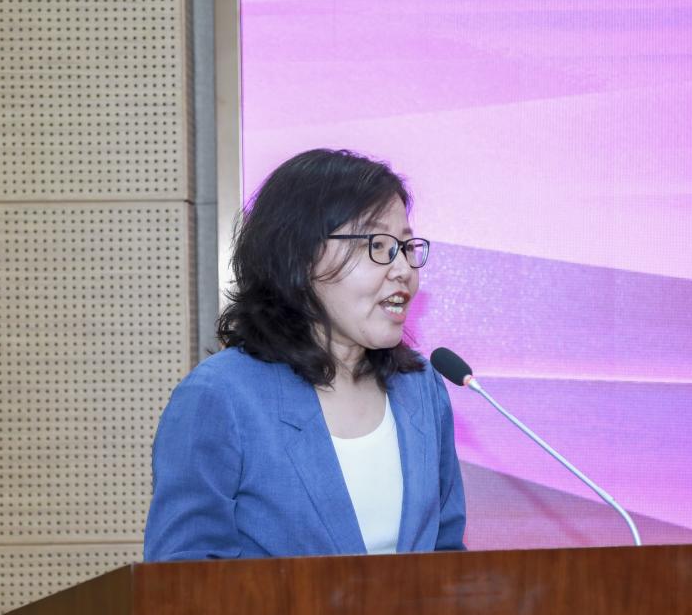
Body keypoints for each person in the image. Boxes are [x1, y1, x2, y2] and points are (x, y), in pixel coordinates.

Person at [143, 149, 466, 561]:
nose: (403, 268)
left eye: (405, 247)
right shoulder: (220, 397)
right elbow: (181, 578)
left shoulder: (421, 389)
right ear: (299, 256)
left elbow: (447, 558)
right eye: (378, 245)